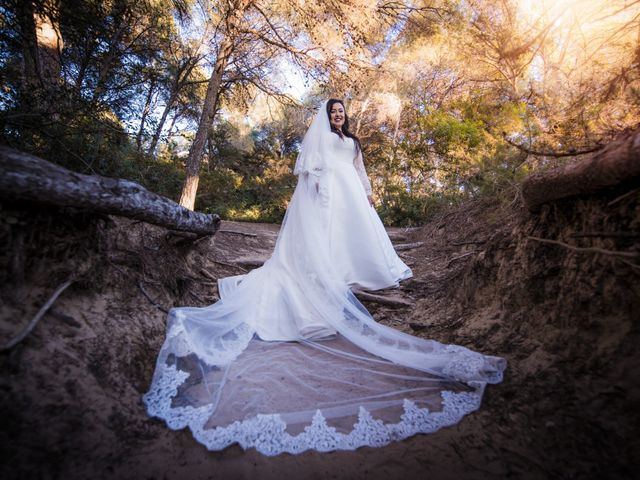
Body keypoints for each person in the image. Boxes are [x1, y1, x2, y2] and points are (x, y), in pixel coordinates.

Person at [143, 99, 506, 455]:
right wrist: (320, 192)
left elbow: (360, 170)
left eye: (341, 111)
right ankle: (332, 281)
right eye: (333, 111)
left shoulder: (352, 142)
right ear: (326, 116)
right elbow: (311, 170)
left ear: (346, 116)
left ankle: (361, 275)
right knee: (330, 243)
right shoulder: (321, 139)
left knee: (358, 238)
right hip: (330, 195)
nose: (337, 115)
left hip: (352, 195)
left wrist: (366, 193)